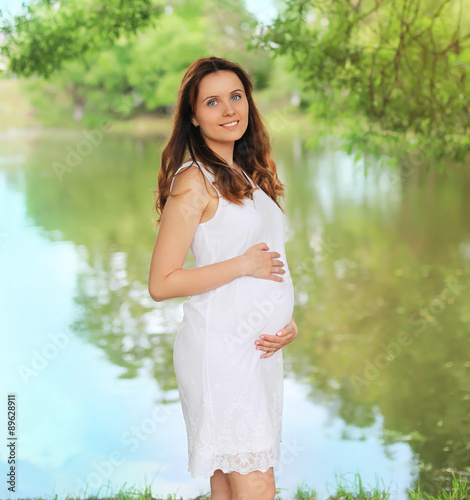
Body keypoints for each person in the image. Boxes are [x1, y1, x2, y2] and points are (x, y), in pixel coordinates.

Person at [148, 56, 299, 500]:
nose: (229, 109)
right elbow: (162, 283)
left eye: (236, 96)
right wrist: (242, 266)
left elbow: (275, 261)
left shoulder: (247, 176)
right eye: (212, 102)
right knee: (256, 484)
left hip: (258, 351)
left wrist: (287, 322)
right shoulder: (194, 182)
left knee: (231, 487)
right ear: (193, 117)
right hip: (221, 352)